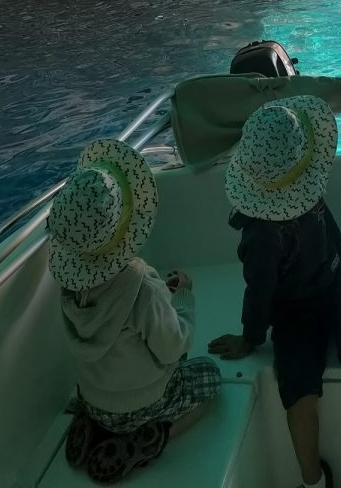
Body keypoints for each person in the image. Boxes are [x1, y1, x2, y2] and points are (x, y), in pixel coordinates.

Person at [209, 96, 341, 488]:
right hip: (332, 286)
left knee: (300, 391)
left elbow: (260, 291)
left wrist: (251, 337)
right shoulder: (309, 196)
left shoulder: (259, 234)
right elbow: (333, 239)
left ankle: (314, 480)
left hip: (293, 309)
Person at [47, 138, 220, 484]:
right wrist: (183, 296)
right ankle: (153, 438)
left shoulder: (70, 285)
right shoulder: (141, 285)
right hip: (144, 405)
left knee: (109, 390)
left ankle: (94, 426)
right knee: (210, 379)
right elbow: (174, 345)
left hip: (94, 398)